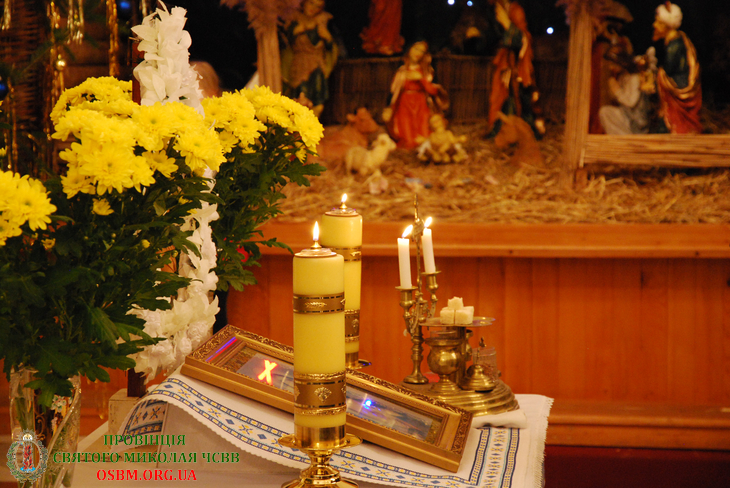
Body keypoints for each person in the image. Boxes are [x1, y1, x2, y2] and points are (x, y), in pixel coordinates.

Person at [487, 0, 544, 138]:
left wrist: (507, 24)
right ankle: (503, 129)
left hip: (517, 67)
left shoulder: (516, 11)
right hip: (506, 64)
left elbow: (522, 38)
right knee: (502, 97)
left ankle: (521, 130)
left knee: (519, 99)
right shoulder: (497, 11)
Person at [383, 41, 447, 149]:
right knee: (408, 139)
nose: (418, 53)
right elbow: (394, 91)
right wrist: (389, 108)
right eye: (416, 49)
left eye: (422, 51)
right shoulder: (402, 71)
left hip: (421, 104)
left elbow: (433, 91)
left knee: (424, 135)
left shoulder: (427, 71)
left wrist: (421, 79)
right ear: (409, 49)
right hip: (405, 105)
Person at [281, 0, 337, 118]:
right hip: (300, 66)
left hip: (317, 66)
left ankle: (314, 123)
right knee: (301, 95)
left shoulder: (322, 23)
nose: (313, 8)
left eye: (318, 6)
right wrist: (295, 32)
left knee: (317, 99)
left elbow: (331, 47)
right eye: (311, 3)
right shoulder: (295, 21)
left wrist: (327, 38)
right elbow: (286, 44)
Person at [652, 2, 702, 134]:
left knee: (672, 122)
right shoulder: (678, 39)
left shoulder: (674, 45)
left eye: (658, 22)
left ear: (666, 25)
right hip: (679, 83)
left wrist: (659, 74)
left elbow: (668, 69)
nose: (654, 25)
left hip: (678, 86)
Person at [598, 45, 656, 135]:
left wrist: (617, 91)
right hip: (626, 114)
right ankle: (618, 138)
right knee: (604, 112)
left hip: (636, 120)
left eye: (613, 64)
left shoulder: (634, 78)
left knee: (605, 112)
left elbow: (631, 102)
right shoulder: (623, 77)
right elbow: (618, 99)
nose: (611, 67)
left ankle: (626, 138)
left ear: (621, 62)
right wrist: (613, 90)